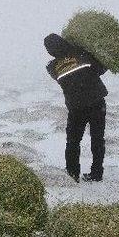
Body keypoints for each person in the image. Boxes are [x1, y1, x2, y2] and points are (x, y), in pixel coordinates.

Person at [44, 33, 108, 183]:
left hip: (76, 108)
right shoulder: (82, 53)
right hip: (96, 103)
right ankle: (96, 174)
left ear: (50, 51)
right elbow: (101, 68)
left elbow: (65, 78)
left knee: (73, 142)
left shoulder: (52, 67)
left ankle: (72, 174)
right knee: (97, 139)